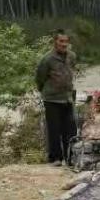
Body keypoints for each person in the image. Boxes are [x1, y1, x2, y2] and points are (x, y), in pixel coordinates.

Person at [35, 30, 77, 165]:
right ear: (55, 42)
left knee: (70, 129)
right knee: (54, 129)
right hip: (52, 99)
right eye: (61, 41)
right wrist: (46, 91)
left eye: (66, 41)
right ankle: (55, 158)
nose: (64, 44)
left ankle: (70, 157)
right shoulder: (47, 59)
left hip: (67, 98)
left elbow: (71, 71)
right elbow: (40, 78)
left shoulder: (71, 56)